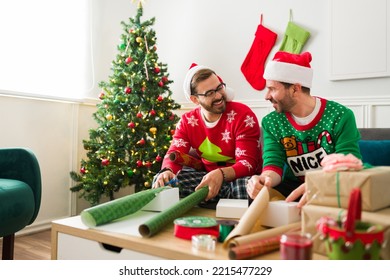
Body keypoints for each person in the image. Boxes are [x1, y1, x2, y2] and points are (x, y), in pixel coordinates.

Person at [246, 51, 362, 207]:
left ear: (295, 89)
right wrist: (264, 179)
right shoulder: (271, 121)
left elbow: (348, 165)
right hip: (293, 189)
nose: (266, 96)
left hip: (332, 185)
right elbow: (273, 163)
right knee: (258, 194)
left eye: (272, 89)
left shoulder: (340, 116)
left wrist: (318, 185)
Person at [152, 63, 262, 203]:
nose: (218, 96)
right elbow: (175, 152)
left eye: (219, 88)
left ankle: (208, 198)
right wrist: (168, 171)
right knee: (163, 181)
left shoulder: (243, 115)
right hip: (206, 176)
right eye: (210, 93)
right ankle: (215, 197)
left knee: (248, 187)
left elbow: (247, 164)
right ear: (195, 99)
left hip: (239, 178)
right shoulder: (188, 121)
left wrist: (220, 174)